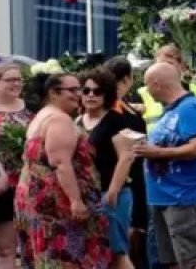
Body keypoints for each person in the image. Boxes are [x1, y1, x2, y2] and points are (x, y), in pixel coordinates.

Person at [14, 72, 111, 268]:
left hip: (35, 198)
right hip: (57, 204)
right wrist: (75, 201)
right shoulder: (59, 120)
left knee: (45, 256)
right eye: (73, 90)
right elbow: (60, 163)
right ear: (53, 93)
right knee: (66, 258)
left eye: (80, 89)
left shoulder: (41, 116)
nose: (79, 94)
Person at [134, 63, 196, 269]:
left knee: (194, 259)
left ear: (157, 84)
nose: (145, 91)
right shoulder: (171, 111)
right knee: (172, 260)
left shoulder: (190, 108)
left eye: (146, 85)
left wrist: (157, 152)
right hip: (164, 196)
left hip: (183, 195)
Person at [77, 68, 139, 269]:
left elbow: (126, 157)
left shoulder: (116, 120)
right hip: (88, 195)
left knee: (116, 251)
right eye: (86, 91)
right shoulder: (77, 121)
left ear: (108, 94)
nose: (91, 95)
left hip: (112, 194)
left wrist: (113, 191)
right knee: (95, 253)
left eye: (97, 91)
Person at [0, 63, 32, 269]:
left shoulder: (31, 107)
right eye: (10, 80)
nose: (17, 84)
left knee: (32, 245)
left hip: (30, 183)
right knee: (5, 247)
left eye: (19, 79)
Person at [102, 56, 149, 264]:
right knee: (124, 239)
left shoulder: (121, 105)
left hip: (131, 172)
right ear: (128, 78)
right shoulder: (116, 108)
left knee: (128, 234)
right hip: (126, 173)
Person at [138, 45, 196, 128]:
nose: (165, 68)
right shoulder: (141, 94)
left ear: (181, 66)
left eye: (169, 64)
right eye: (161, 65)